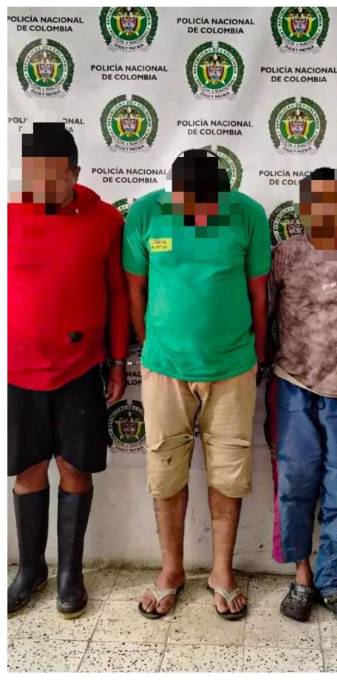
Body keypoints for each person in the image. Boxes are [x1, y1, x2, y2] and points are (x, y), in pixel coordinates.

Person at [123, 149, 270, 620]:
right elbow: (135, 288)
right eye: (190, 204)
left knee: (228, 474)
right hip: (164, 369)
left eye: (209, 204)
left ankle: (222, 571)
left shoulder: (248, 214)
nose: (200, 213)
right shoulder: (146, 213)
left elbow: (259, 294)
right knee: (165, 471)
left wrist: (256, 357)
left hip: (232, 367)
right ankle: (171, 569)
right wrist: (150, 347)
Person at [8, 122, 129, 618]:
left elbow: (118, 295)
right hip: (17, 371)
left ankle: (70, 574)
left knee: (75, 468)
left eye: (53, 177)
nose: (41, 187)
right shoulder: (8, 214)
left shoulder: (105, 220)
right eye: (32, 176)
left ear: (75, 173)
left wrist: (118, 361)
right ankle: (30, 569)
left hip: (79, 370)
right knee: (28, 470)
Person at [265, 168, 337, 629]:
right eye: (317, 202)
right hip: (293, 385)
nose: (327, 211)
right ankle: (302, 576)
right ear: (303, 208)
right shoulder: (286, 255)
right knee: (294, 483)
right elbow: (265, 315)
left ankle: (333, 582)